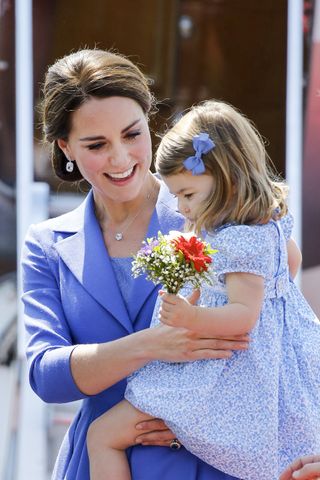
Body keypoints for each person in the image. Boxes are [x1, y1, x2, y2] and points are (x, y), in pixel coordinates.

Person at [21, 49, 250, 480]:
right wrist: (152, 344)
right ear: (65, 147)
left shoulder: (215, 214)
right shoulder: (47, 244)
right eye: (96, 145)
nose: (120, 158)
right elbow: (47, 375)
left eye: (132, 134)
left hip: (213, 463)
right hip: (98, 463)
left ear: (150, 122)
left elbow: (277, 330)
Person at [86, 100, 320, 480]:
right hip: (265, 367)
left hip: (225, 373)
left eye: (188, 195)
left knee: (103, 435)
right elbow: (289, 265)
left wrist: (193, 316)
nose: (180, 207)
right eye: (176, 195)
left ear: (227, 177)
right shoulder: (269, 222)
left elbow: (244, 316)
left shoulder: (239, 240)